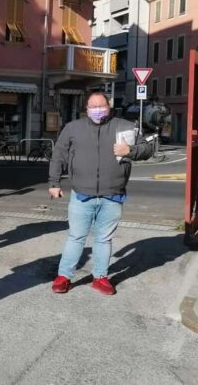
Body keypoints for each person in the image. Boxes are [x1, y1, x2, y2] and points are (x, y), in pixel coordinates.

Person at [48, 91, 153, 296]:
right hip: (81, 194)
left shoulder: (124, 126)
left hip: (112, 194)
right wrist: (54, 182)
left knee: (103, 239)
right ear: (86, 109)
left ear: (109, 106)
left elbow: (147, 149)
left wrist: (129, 151)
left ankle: (100, 278)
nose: (98, 110)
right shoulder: (73, 128)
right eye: (93, 106)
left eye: (101, 105)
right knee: (76, 237)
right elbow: (58, 155)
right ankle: (64, 276)